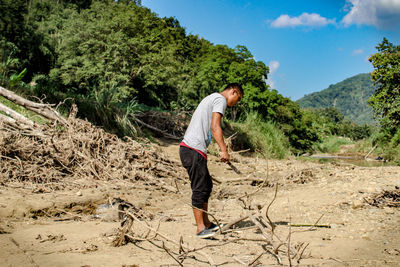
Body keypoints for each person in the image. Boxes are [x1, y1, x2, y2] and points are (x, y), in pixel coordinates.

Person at [179, 83, 243, 238]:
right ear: (233, 91)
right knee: (200, 188)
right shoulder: (220, 99)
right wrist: (223, 150)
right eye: (237, 99)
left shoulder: (212, 98)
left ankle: (207, 223)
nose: (235, 103)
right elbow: (215, 127)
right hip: (192, 149)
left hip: (193, 149)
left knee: (207, 185)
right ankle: (200, 228)